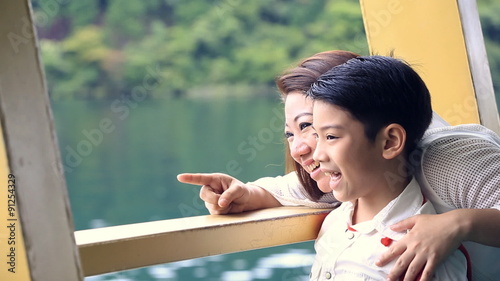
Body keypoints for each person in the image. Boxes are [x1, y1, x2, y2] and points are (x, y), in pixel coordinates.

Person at [177, 50, 500, 281]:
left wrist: (458, 223)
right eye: (293, 132)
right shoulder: (352, 184)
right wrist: (245, 193)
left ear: (388, 141)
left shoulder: (449, 159)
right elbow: (292, 188)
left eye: (314, 129)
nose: (304, 149)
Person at [307, 55, 467, 280]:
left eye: (331, 136)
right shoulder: (336, 221)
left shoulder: (422, 255)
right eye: (317, 136)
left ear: (390, 141)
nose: (317, 154)